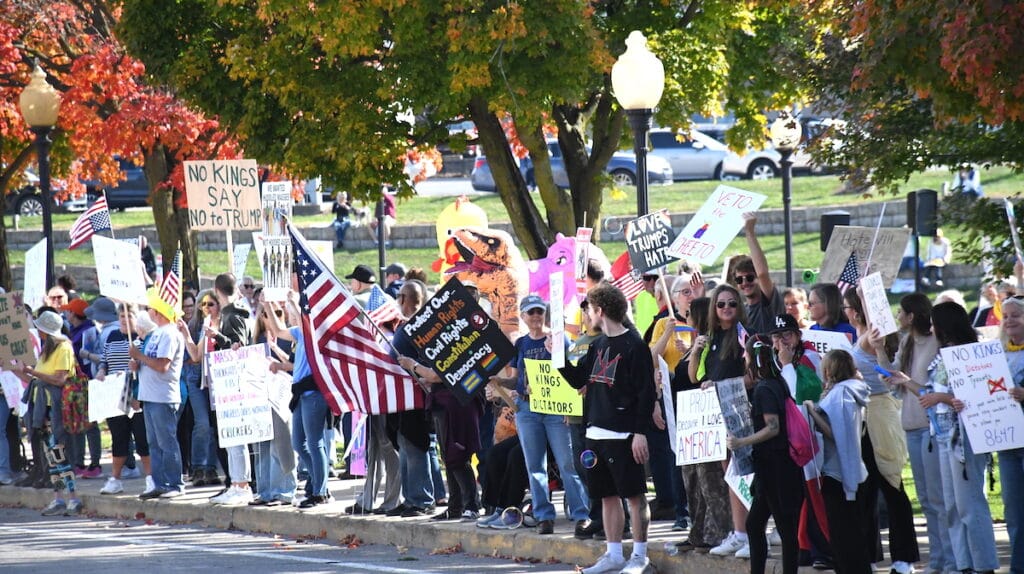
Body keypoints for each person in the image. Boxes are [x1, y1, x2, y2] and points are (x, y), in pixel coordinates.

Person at [558, 283, 656, 574]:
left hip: (624, 434)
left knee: (635, 496)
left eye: (588, 308)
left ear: (600, 310)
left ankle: (639, 555)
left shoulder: (635, 346)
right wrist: (558, 356)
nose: (586, 314)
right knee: (607, 496)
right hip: (595, 432)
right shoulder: (597, 344)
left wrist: (640, 433)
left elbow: (646, 393)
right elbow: (578, 380)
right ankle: (613, 554)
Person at [488, 295, 590, 534]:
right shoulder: (521, 344)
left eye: (538, 312)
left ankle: (581, 513)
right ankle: (544, 515)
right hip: (528, 410)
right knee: (535, 465)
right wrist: (500, 381)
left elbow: (571, 375)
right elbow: (516, 379)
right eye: (530, 312)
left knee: (567, 463)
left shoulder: (559, 339)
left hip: (556, 411)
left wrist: (568, 407)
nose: (535, 316)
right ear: (523, 316)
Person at [915, 302, 998, 573]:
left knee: (969, 503)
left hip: (964, 437)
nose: (930, 329)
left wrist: (940, 398)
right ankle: (962, 563)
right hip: (942, 436)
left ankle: (982, 563)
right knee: (952, 505)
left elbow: (974, 397)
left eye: (934, 323)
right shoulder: (942, 356)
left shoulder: (971, 355)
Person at [873, 293, 952, 573]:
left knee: (938, 498)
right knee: (927, 500)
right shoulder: (906, 342)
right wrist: (879, 349)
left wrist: (907, 381)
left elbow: (934, 385)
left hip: (932, 426)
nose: (897, 317)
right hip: (912, 427)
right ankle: (939, 560)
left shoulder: (936, 342)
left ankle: (949, 560)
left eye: (901, 313)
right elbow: (892, 378)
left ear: (912, 315)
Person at [843, 289, 919, 574]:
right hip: (862, 417)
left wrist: (865, 293)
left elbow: (877, 323)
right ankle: (868, 555)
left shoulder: (869, 338)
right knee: (865, 490)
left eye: (848, 307)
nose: (845, 311)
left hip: (880, 414)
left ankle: (904, 557)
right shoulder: (858, 337)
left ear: (857, 311)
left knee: (891, 483)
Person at [727, 334, 803, 574]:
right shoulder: (776, 382)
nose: (743, 357)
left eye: (746, 354)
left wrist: (741, 441)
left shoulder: (765, 388)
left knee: (785, 527)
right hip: (772, 467)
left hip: (776, 467)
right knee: (754, 523)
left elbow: (773, 427)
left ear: (752, 358)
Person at [689, 284, 751, 558]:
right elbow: (695, 378)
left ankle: (750, 533)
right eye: (721, 304)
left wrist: (722, 385)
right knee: (730, 475)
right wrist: (694, 351)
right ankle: (739, 533)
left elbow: (754, 377)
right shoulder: (711, 337)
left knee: (742, 475)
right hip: (715, 414)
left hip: (738, 410)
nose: (726, 308)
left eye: (732, 304)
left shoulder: (743, 336)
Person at [805, 350, 872, 574]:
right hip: (852, 473)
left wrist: (813, 414)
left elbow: (838, 436)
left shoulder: (841, 395)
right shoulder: (850, 391)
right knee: (851, 536)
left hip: (840, 476)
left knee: (845, 540)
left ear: (829, 370)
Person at [263, 300, 333, 509]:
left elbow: (303, 322)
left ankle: (320, 491)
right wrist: (267, 304)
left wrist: (293, 300)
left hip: (314, 392)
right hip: (301, 393)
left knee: (314, 442)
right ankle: (320, 485)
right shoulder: (301, 333)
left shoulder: (316, 333)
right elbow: (278, 329)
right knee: (298, 443)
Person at [14, 310, 81, 516]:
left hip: (56, 408)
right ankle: (58, 497)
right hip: (43, 409)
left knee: (60, 453)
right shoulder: (47, 349)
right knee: (51, 456)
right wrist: (16, 369)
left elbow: (59, 380)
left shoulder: (64, 348)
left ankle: (72, 497)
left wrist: (31, 371)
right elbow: (34, 377)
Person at [386, 280, 436, 517]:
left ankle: (421, 499)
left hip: (416, 396)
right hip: (401, 397)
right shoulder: (408, 327)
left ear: (404, 299)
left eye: (400, 297)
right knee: (405, 448)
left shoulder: (420, 327)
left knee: (415, 448)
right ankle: (410, 498)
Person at [130, 290, 186, 499]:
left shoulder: (170, 334)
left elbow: (163, 365)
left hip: (164, 396)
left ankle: (174, 484)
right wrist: (137, 363)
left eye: (151, 309)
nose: (149, 312)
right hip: (151, 396)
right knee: (155, 443)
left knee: (166, 442)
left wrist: (139, 356)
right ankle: (159, 483)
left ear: (158, 312)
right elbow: (151, 362)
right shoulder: (157, 334)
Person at [205, 274, 255, 505]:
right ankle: (235, 482)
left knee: (237, 436)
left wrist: (218, 336)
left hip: (236, 383)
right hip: (228, 384)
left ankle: (241, 484)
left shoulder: (233, 316)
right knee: (230, 436)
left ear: (217, 290)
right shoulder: (232, 313)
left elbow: (238, 348)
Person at [97, 304, 153, 496]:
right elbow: (105, 360)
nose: (124, 319)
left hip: (136, 395)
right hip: (115, 394)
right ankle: (115, 479)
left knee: (142, 438)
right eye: (121, 315)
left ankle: (150, 478)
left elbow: (146, 363)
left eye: (129, 315)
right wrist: (101, 371)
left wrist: (136, 365)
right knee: (118, 437)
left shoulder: (141, 338)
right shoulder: (111, 336)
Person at [998, 296, 1024, 574]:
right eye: (1005, 316)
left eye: (1016, 315)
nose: (1009, 320)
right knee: (1014, 514)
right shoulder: (997, 354)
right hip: (1006, 443)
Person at [734, 213, 785, 335]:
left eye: (750, 278)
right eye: (739, 280)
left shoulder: (769, 302)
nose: (745, 282)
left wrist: (749, 231)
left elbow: (762, 273)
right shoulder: (741, 311)